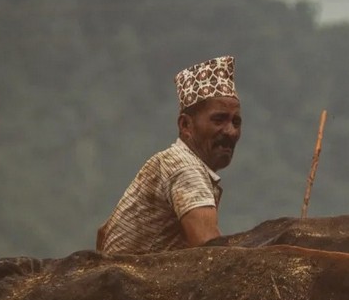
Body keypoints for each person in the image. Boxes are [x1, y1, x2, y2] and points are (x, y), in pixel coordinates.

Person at [97, 55, 242, 253]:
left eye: (236, 122)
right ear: (185, 125)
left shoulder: (171, 162)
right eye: (219, 120)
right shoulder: (185, 167)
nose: (231, 131)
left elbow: (102, 233)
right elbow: (210, 250)